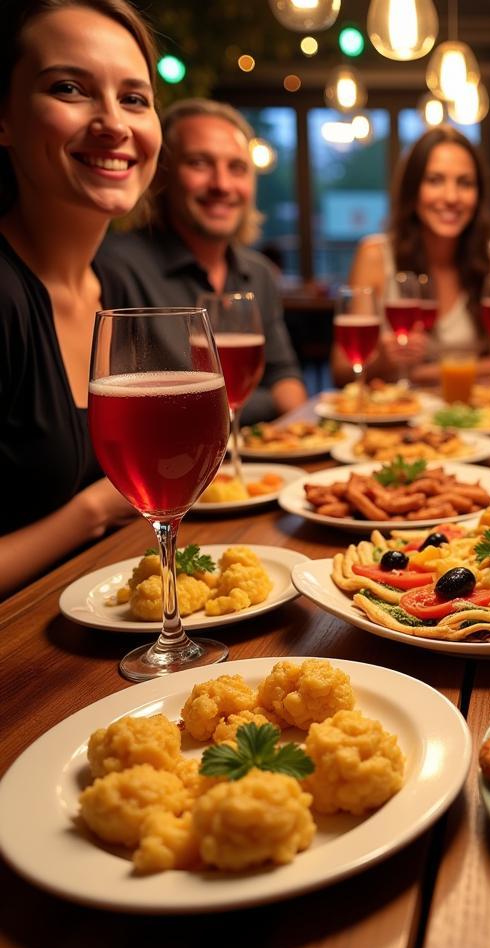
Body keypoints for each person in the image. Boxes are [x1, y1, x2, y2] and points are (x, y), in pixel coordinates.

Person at [0, 0, 160, 596]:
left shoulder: (119, 291)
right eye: (70, 88)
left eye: (135, 98)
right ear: (5, 118)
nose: (114, 123)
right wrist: (92, 512)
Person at [101, 98, 307, 424]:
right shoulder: (114, 267)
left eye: (237, 168)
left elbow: (287, 382)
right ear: (161, 176)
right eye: (199, 163)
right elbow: (138, 415)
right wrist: (258, 404)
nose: (222, 185)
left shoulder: (259, 274)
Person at [332, 124, 490, 385]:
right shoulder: (374, 256)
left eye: (465, 183)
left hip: (475, 417)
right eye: (435, 180)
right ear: (412, 190)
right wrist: (383, 361)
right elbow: (342, 370)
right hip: (395, 417)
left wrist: (413, 374)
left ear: (479, 195)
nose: (451, 197)